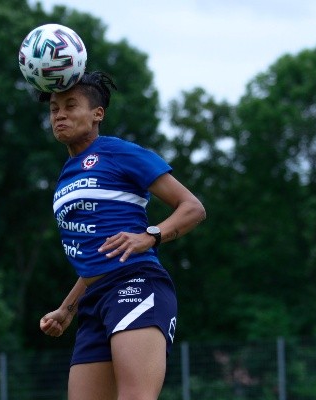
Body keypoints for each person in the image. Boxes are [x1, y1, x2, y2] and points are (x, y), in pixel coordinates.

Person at [38, 71, 206, 400]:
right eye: (54, 108)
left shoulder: (117, 152)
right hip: (94, 300)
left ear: (97, 114)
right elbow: (96, 260)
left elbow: (192, 208)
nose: (60, 114)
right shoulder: (65, 176)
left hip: (136, 284)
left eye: (71, 105)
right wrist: (66, 310)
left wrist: (151, 235)